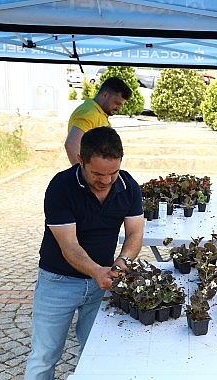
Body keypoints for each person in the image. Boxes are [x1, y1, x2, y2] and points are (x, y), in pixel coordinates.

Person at [25, 127, 144, 379]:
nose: (106, 180)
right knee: (44, 356)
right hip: (58, 282)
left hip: (103, 283)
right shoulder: (61, 187)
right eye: (97, 173)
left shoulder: (128, 185)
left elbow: (134, 234)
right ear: (81, 159)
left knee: (96, 354)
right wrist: (95, 271)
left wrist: (122, 263)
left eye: (113, 172)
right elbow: (69, 246)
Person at [64, 76, 133, 165]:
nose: (119, 108)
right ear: (105, 95)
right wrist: (83, 175)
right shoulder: (90, 113)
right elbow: (71, 144)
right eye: (117, 103)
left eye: (121, 105)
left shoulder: (97, 112)